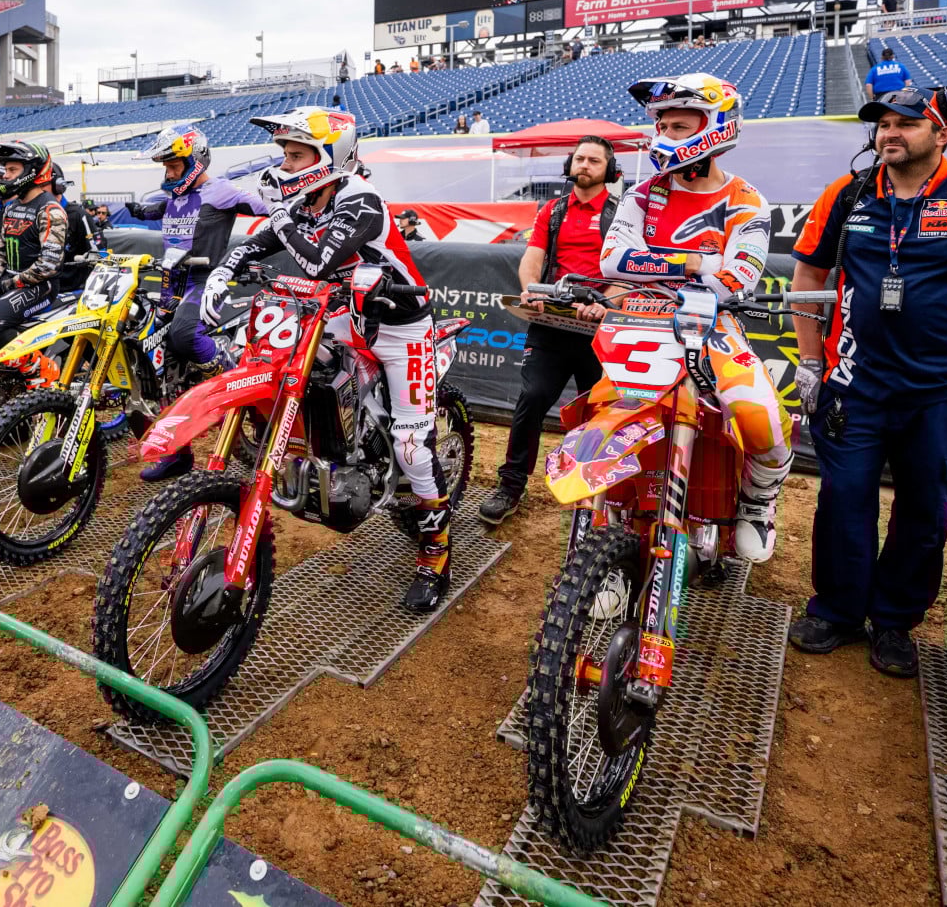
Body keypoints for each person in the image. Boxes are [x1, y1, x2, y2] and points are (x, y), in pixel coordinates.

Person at [787, 86, 947, 677]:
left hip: (943, 395)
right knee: (842, 500)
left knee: (925, 512)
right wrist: (809, 364)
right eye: (882, 124)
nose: (889, 133)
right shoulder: (848, 192)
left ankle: (895, 621)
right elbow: (808, 274)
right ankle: (837, 610)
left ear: (943, 132)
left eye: (906, 123)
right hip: (855, 386)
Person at [201, 107, 452, 613]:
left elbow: (317, 260)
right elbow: (261, 242)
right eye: (285, 154)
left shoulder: (361, 200)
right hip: (343, 315)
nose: (285, 165)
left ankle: (435, 553)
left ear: (330, 157)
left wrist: (279, 216)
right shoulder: (307, 199)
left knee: (410, 449)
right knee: (291, 371)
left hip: (400, 326)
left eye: (296, 155)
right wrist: (222, 271)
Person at [591, 74, 791, 563]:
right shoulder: (643, 193)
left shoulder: (747, 202)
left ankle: (757, 502)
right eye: (662, 124)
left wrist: (661, 264)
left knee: (759, 418)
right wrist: (693, 263)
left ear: (716, 126)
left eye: (679, 126)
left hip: (714, 327)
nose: (665, 135)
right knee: (602, 416)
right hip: (641, 322)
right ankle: (605, 532)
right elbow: (610, 260)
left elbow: (736, 279)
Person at [477, 135, 615, 526]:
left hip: (598, 331)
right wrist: (530, 291)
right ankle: (510, 487)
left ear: (609, 170)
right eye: (580, 159)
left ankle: (599, 496)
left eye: (594, 161)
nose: (584, 165)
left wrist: (603, 304)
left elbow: (626, 274)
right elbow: (531, 261)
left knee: (602, 412)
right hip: (551, 324)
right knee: (532, 399)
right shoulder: (552, 211)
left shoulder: (621, 215)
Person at [126, 124, 269, 480]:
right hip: (172, 280)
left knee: (185, 335)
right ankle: (176, 452)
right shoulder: (172, 198)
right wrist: (132, 208)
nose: (168, 171)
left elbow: (263, 208)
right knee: (155, 363)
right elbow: (151, 210)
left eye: (174, 164)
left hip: (206, 280)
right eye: (166, 165)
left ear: (194, 159)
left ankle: (230, 375)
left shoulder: (218, 190)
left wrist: (285, 209)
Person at [0, 141, 77, 368]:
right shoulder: (11, 206)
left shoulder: (50, 209)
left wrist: (7, 284)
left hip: (41, 286)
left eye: (12, 170)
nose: (5, 176)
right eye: (5, 170)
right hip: (11, 279)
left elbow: (49, 265)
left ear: (32, 171)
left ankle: (42, 368)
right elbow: (1, 250)